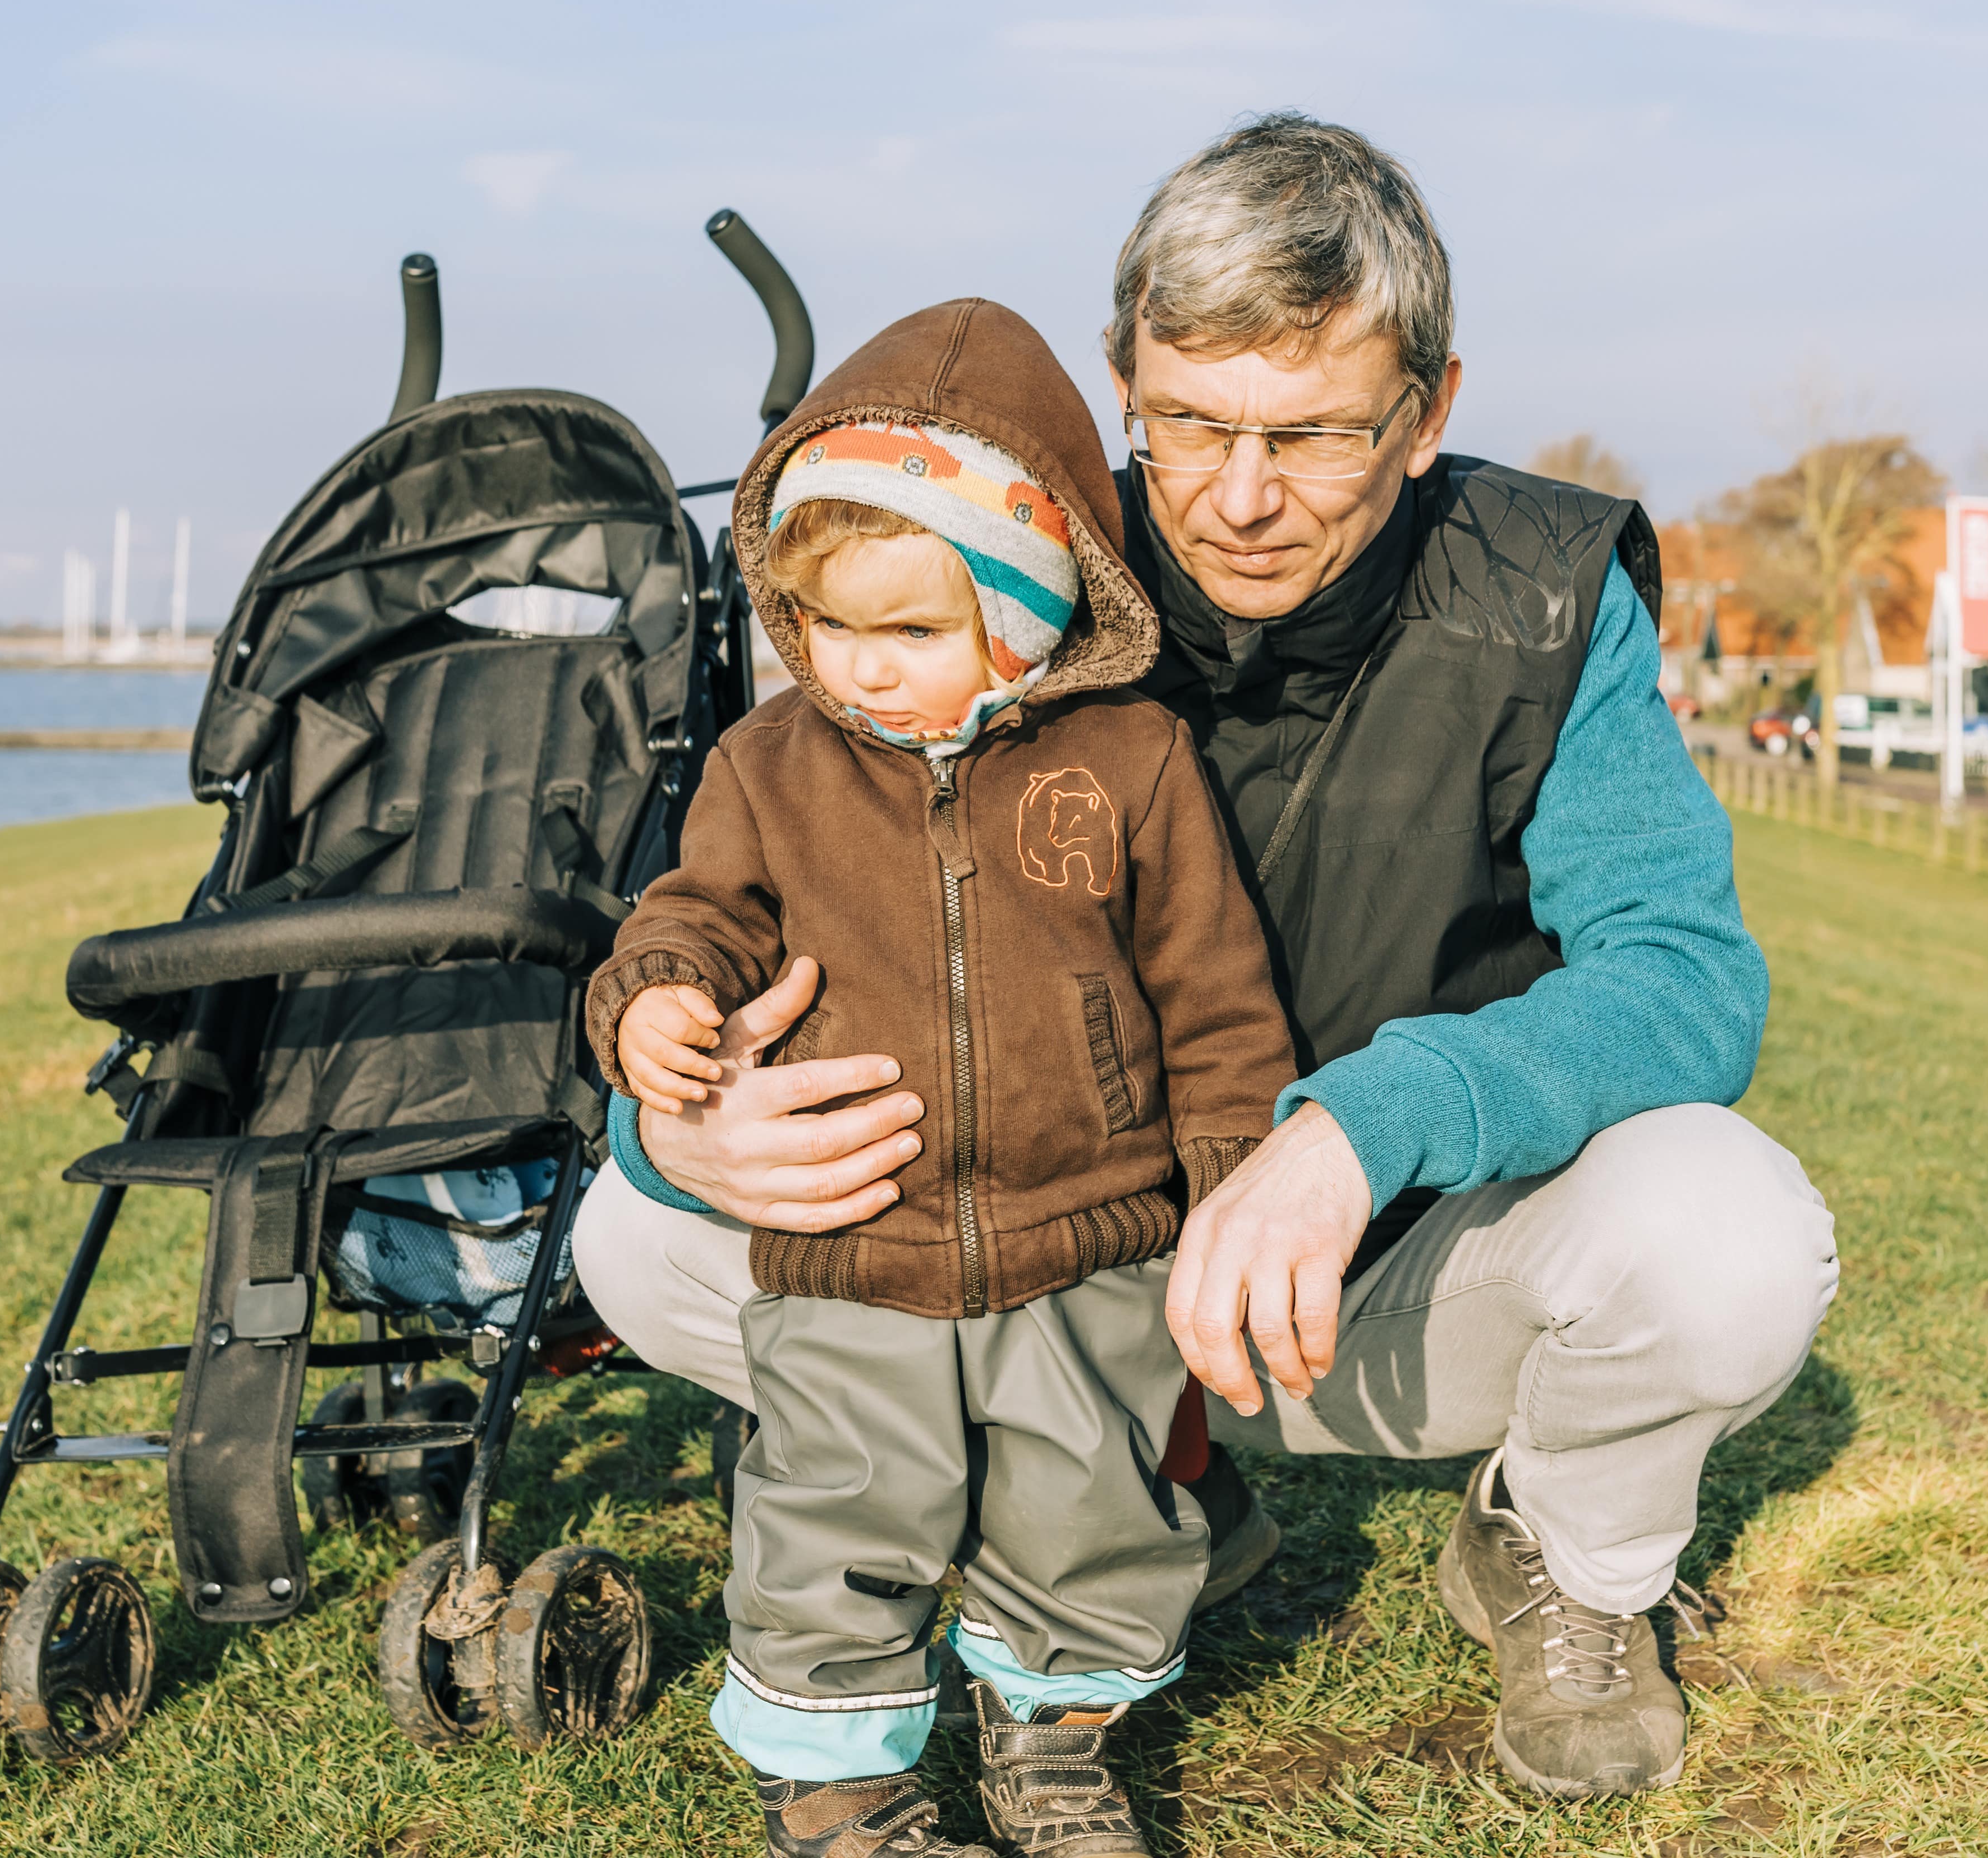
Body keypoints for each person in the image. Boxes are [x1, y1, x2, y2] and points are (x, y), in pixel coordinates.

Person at [576, 113, 1840, 1808]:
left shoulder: (1546, 594)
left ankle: (1566, 1561)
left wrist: (1359, 1128)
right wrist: (681, 1120)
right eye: (1188, 426)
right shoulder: (976, 563)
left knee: (1730, 1231)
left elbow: (1685, 975)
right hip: (1047, 1263)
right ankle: (1078, 1486)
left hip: (1374, 1281)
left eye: (1316, 434)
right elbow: (749, 890)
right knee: (632, 1234)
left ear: (1431, 410)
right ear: (1122, 384)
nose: (1243, 499)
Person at [581, 300, 1300, 1858]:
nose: (859, 669)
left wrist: (1235, 1178)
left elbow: (1215, 993)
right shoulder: (772, 767)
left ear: (1026, 612)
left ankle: (1056, 1748)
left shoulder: (1130, 761)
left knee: (1087, 1510)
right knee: (838, 1514)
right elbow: (693, 913)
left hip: (1088, 1237)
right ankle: (839, 1791)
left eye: (910, 632)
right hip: (856, 1247)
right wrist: (654, 1000)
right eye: (828, 625)